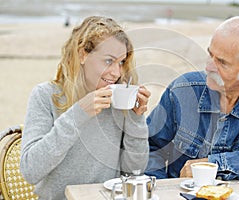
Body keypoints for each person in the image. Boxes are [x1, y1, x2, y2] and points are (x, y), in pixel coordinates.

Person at [145, 16, 239, 182]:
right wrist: (158, 187)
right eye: (210, 55)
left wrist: (215, 165)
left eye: (222, 62)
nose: (209, 66)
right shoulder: (182, 90)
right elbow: (149, 146)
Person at [20, 16, 151, 199]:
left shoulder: (118, 100)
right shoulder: (45, 96)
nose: (116, 72)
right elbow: (30, 170)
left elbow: (134, 172)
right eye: (108, 61)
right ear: (83, 54)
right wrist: (78, 114)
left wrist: (135, 119)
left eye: (121, 62)